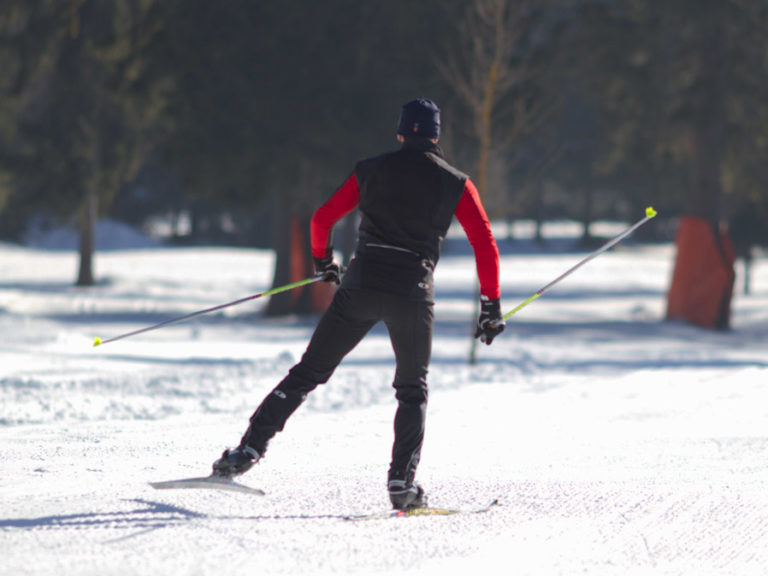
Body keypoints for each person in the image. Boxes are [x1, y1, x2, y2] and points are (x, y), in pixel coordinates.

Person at [212, 98, 505, 510]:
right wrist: (490, 306)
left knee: (307, 374)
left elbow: (321, 219)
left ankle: (248, 450)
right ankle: (401, 484)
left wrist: (323, 262)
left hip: (361, 286)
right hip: (412, 292)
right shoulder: (456, 182)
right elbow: (485, 244)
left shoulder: (370, 170)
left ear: (401, 132)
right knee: (411, 390)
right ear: (437, 135)